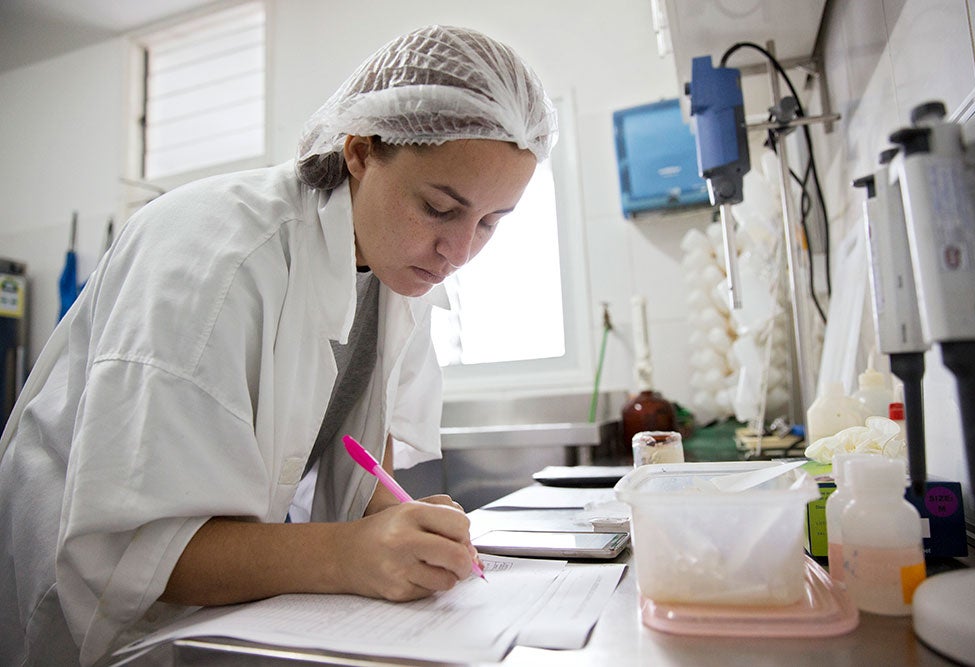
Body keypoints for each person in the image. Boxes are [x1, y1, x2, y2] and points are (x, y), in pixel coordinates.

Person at [0, 24, 557, 666]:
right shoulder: (213, 255)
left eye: (490, 222)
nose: (458, 252)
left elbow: (361, 451)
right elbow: (137, 551)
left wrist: (402, 525)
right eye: (439, 208)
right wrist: (351, 553)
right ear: (360, 151)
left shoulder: (396, 271)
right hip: (69, 614)